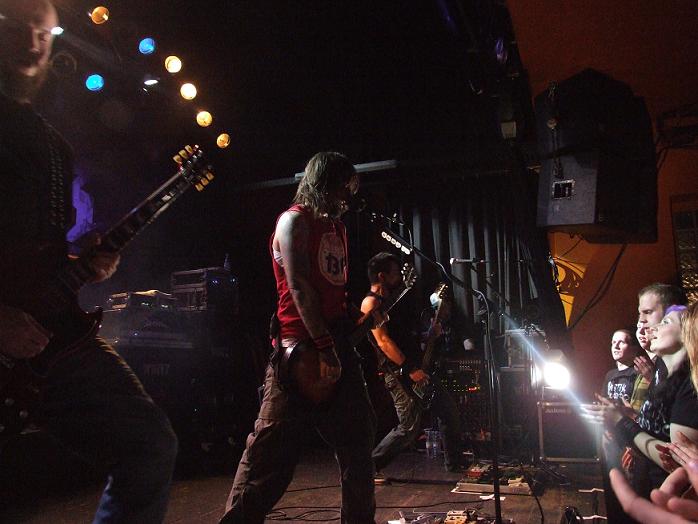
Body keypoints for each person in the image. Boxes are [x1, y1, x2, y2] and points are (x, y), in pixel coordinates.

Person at [0, 1, 178, 522]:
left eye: (44, 33)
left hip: (51, 336)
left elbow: (39, 251)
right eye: (18, 28)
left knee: (148, 445)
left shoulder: (51, 143)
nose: (33, 44)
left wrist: (85, 262)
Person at [220, 152, 378, 524]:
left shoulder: (336, 229)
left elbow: (331, 292)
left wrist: (356, 319)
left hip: (334, 343)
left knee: (359, 443)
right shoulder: (294, 221)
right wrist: (324, 346)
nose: (348, 197)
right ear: (325, 183)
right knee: (270, 457)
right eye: (343, 187)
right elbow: (300, 288)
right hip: (300, 350)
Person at [362, 253, 462, 477]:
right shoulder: (371, 303)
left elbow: (404, 336)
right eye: (395, 273)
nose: (399, 277)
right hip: (398, 372)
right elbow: (383, 342)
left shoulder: (395, 301)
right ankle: (367, 470)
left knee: (447, 410)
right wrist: (409, 368)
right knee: (408, 428)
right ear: (382, 276)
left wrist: (429, 335)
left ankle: (455, 465)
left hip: (416, 366)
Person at [592, 305, 698, 498]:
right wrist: (634, 441)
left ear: (687, 333)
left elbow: (677, 461)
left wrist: (621, 422)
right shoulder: (664, 376)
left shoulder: (689, 385)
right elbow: (656, 428)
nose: (653, 327)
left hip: (670, 498)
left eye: (665, 321)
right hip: (646, 483)